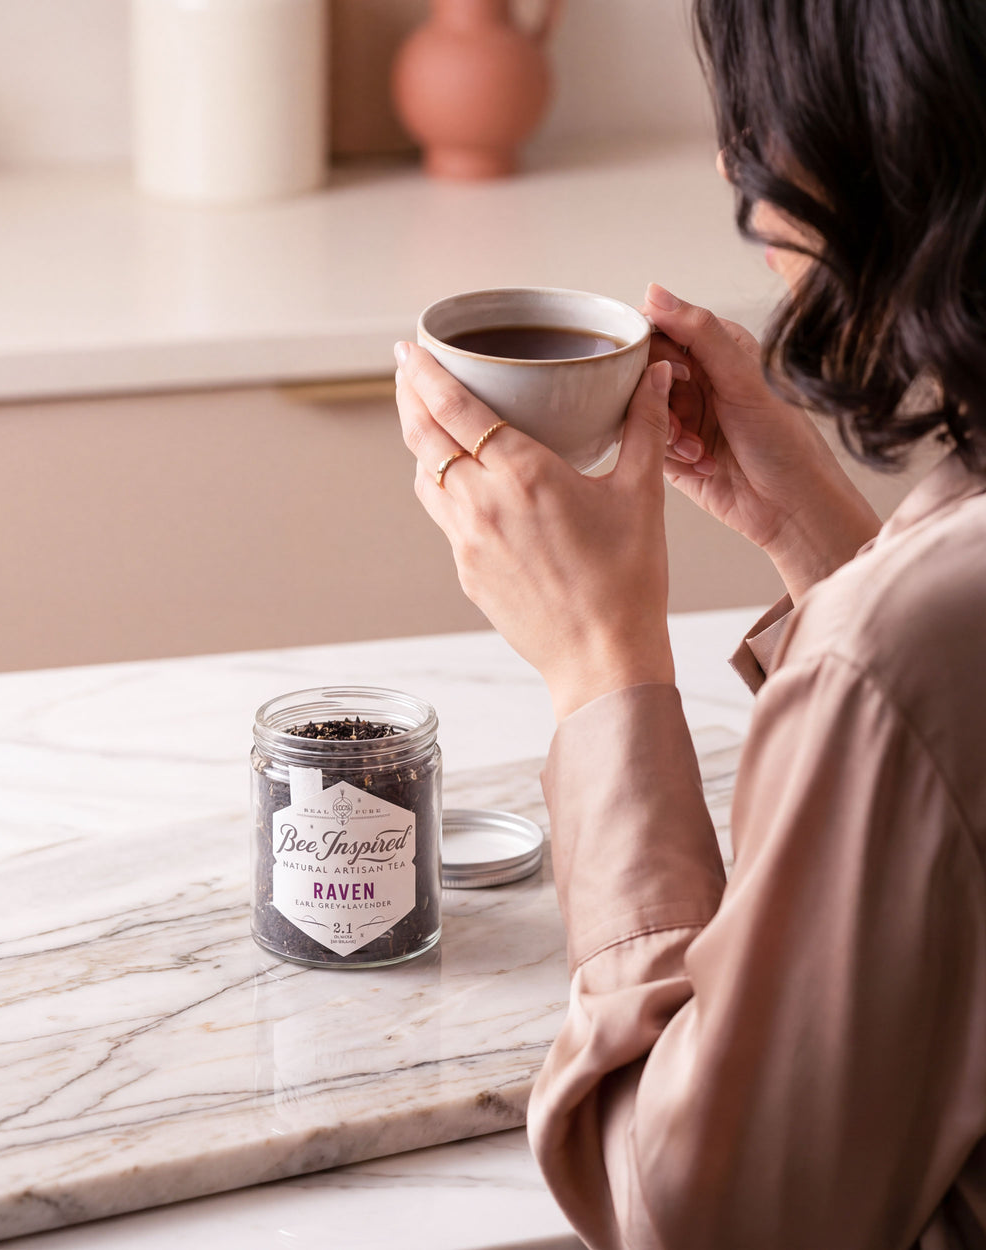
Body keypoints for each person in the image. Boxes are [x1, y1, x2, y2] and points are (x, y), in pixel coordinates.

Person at [394, 0, 986, 1244]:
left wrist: (601, 662)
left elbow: (703, 1214)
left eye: (769, 112)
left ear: (903, 127)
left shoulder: (898, 654)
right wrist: (823, 539)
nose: (736, 165)